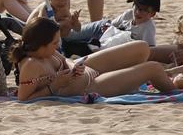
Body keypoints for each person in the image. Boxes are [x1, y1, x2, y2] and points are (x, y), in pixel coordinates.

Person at [13, 15, 169, 101]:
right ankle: (178, 88)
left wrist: (72, 66)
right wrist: (55, 85)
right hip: (89, 85)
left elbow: (64, 59)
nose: (56, 46)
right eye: (54, 43)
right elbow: (24, 98)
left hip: (85, 69)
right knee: (153, 68)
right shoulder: (31, 65)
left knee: (141, 47)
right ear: (41, 44)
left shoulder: (47, 52)